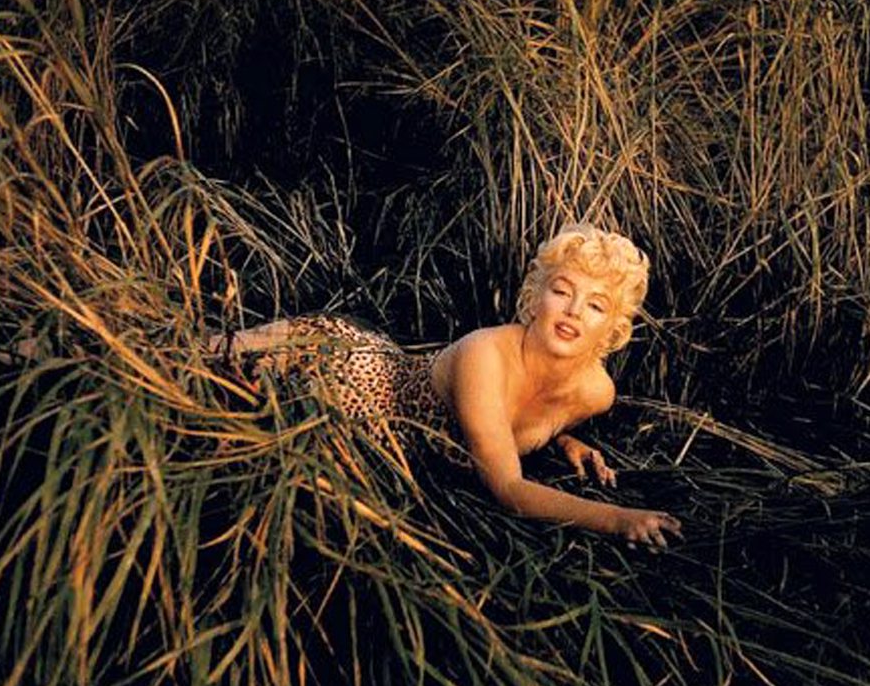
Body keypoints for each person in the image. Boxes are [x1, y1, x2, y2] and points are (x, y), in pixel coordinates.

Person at [216, 224, 683, 547]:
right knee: (209, 356)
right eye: (562, 291)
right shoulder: (485, 354)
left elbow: (521, 418)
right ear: (535, 297)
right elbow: (508, 489)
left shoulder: (595, 394)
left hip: (389, 433)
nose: (574, 310)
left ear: (613, 329)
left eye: (596, 305)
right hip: (346, 374)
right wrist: (616, 520)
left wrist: (562, 438)